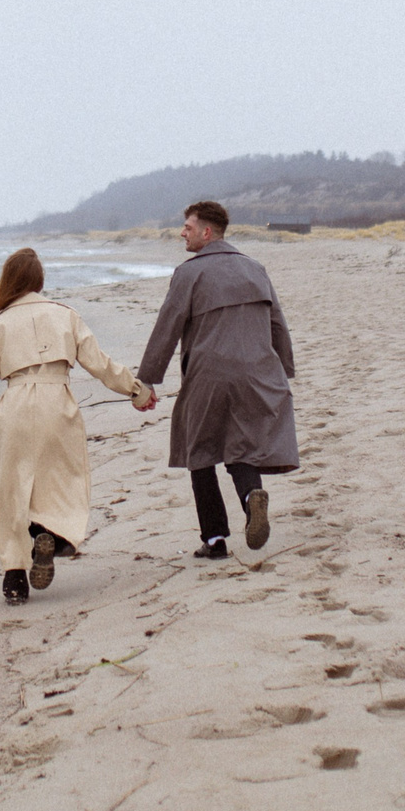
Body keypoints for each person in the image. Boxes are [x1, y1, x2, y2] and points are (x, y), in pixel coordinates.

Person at [0, 247, 157, 604]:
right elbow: (100, 364)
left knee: (11, 489)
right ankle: (52, 534)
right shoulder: (66, 315)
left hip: (16, 405)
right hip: (58, 402)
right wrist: (137, 390)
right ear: (39, 280)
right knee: (65, 477)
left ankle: (15, 577)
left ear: (8, 280)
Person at [136, 201, 299, 560]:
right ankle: (249, 498)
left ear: (207, 233)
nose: (182, 232)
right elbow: (277, 324)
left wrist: (146, 380)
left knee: (200, 450)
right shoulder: (255, 269)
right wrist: (283, 369)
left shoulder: (189, 273)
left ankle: (214, 540)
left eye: (188, 227)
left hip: (209, 374)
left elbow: (168, 327)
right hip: (257, 372)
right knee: (240, 445)